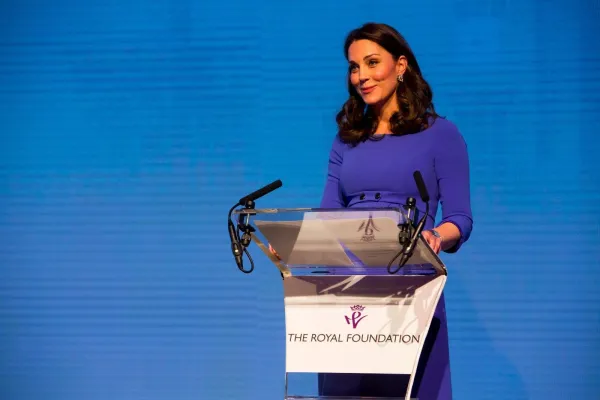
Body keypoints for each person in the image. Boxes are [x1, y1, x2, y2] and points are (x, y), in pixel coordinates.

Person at [318, 22, 473, 400]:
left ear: (400, 65)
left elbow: (460, 219)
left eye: (372, 63)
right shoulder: (346, 139)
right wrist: (295, 246)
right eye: (354, 67)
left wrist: (435, 236)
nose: (361, 76)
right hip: (346, 292)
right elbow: (328, 215)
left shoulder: (441, 134)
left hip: (409, 283)